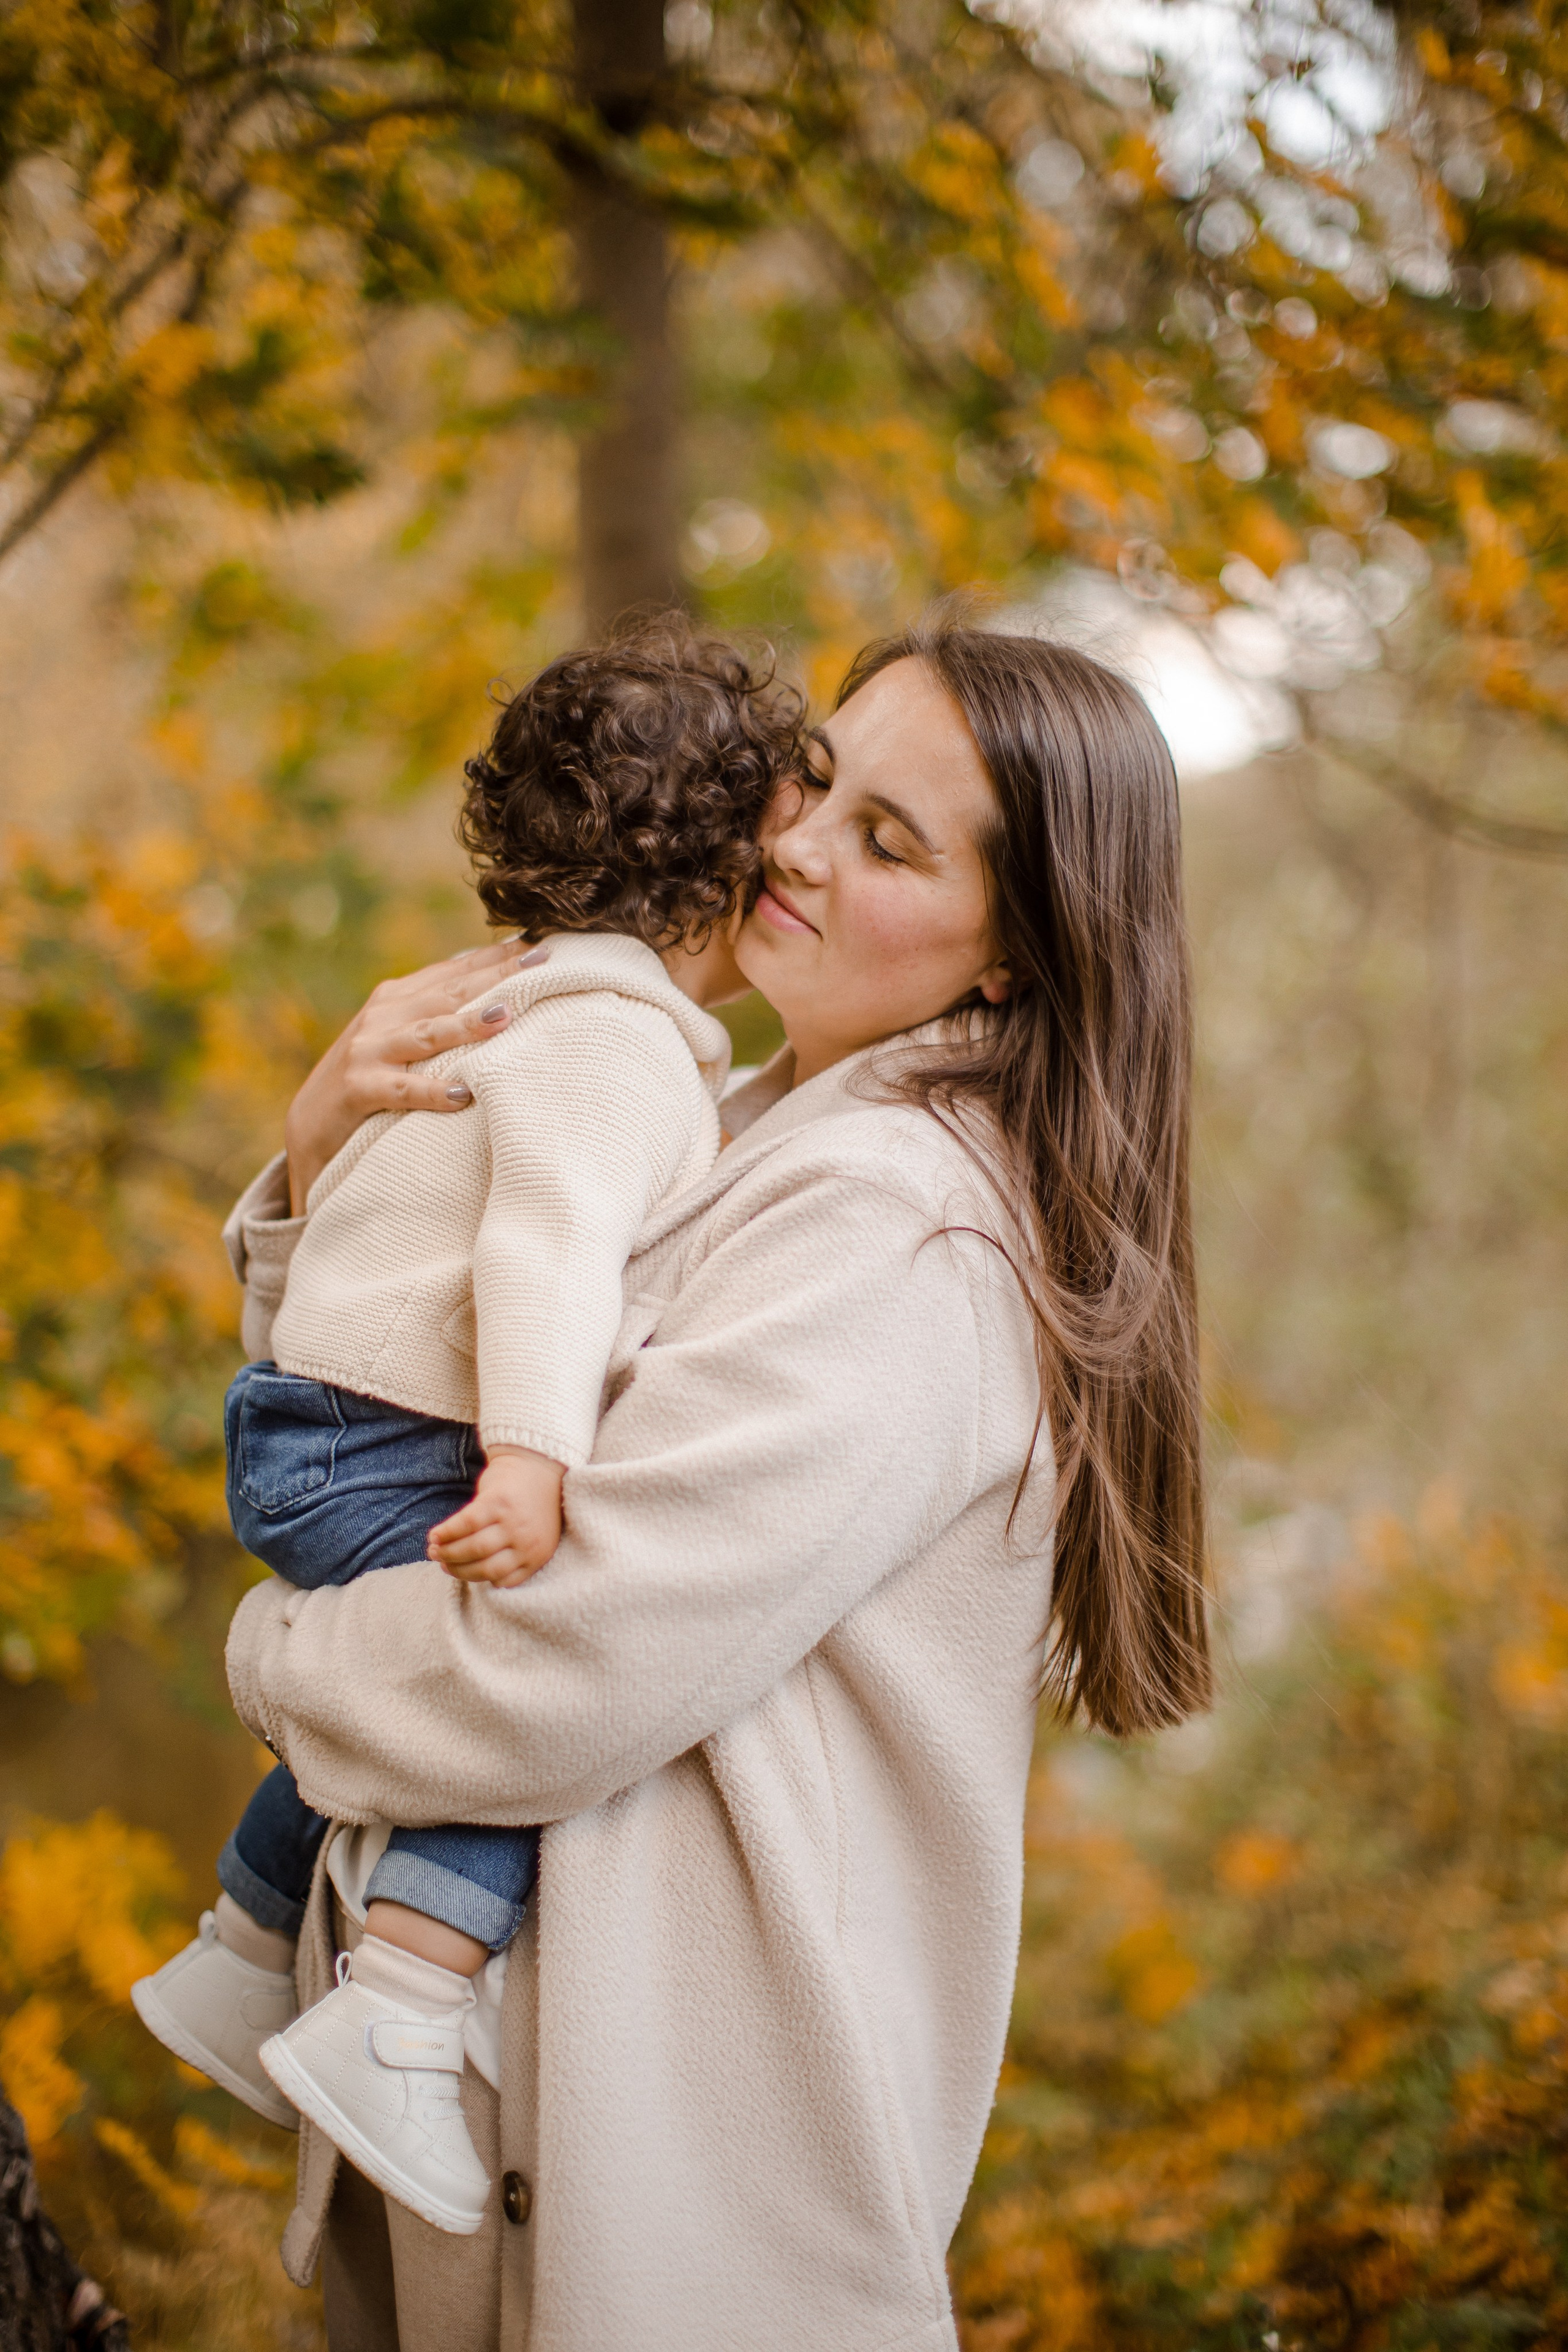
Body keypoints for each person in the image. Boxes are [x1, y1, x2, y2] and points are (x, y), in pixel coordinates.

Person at [221, 618, 1210, 2352]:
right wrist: (322, 1152)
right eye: (818, 780)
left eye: (891, 844)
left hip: (683, 2226)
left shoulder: (897, 1230)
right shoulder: (733, 1115)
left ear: (1012, 965)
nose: (797, 843)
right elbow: (417, 1399)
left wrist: (278, 1664)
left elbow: (552, 1664)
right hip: (509, 2167)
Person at [132, 619, 804, 2235]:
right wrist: (533, 1459)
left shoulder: (533, 1004)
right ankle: (404, 2012)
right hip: (395, 1435)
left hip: (313, 1417)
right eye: (792, 844)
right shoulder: (624, 1046)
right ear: (719, 887)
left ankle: (240, 1956)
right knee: (522, 1687)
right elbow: (546, 1246)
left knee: (406, 1675)